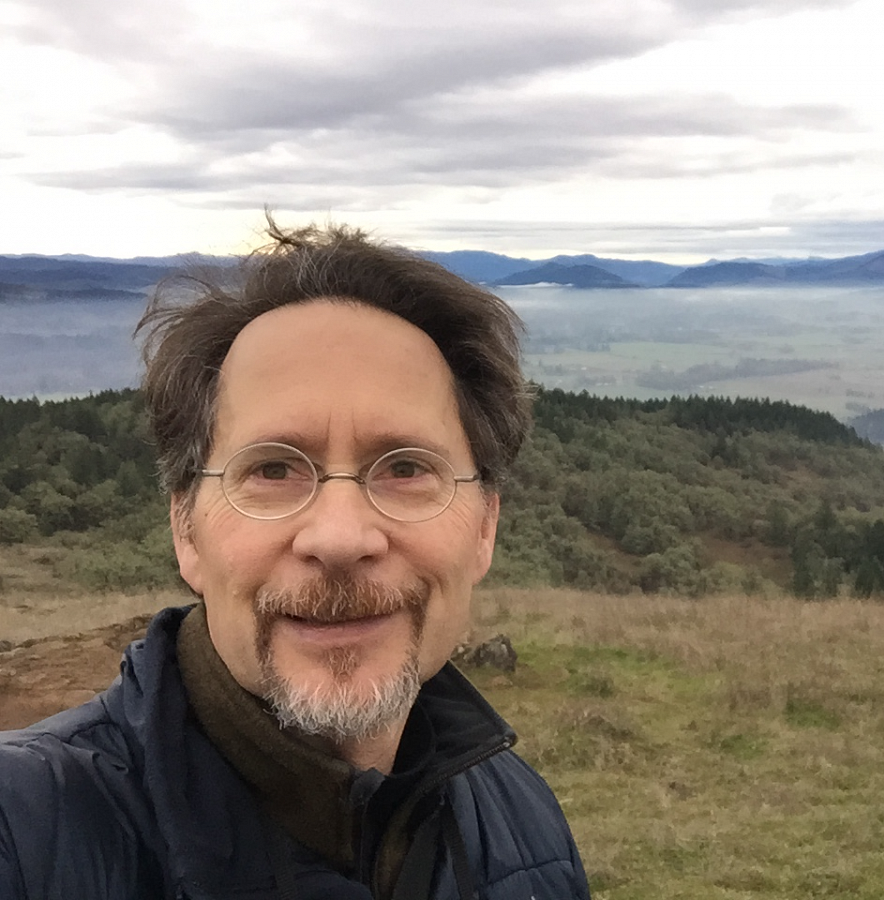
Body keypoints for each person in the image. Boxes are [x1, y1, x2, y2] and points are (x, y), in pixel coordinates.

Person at [0, 220, 591, 899]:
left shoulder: (522, 820)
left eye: (404, 468)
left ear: (485, 525)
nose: (339, 538)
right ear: (185, 528)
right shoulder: (25, 833)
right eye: (274, 469)